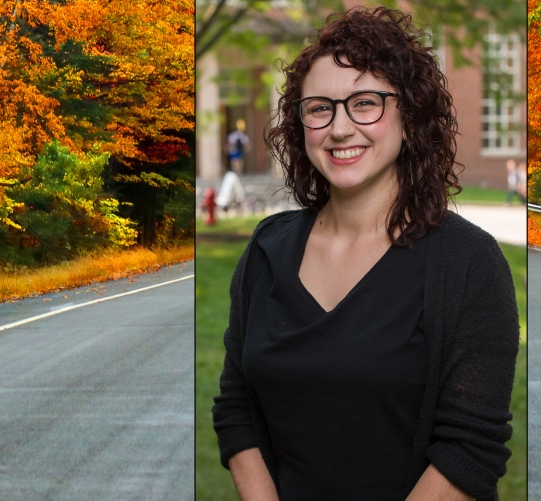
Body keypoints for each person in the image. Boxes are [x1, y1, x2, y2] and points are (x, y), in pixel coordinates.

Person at [213, 7, 519, 501]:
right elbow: (235, 407)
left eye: (365, 103)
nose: (339, 128)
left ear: (410, 116)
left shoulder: (469, 265)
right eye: (319, 108)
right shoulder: (266, 250)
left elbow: (469, 452)